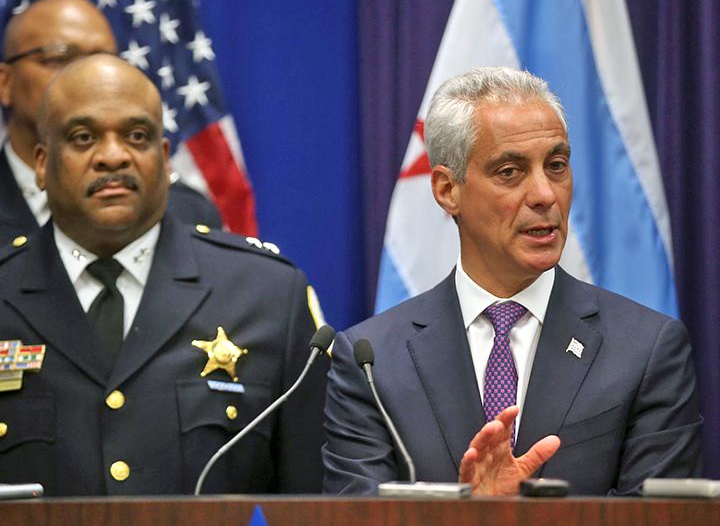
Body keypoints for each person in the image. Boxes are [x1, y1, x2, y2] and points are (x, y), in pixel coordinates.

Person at [323, 66, 702, 496]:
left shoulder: (647, 349)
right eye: (510, 172)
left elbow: (662, 519)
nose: (545, 194)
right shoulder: (372, 363)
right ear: (448, 190)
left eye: (556, 166)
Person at [0, 54, 327, 496]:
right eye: (83, 137)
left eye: (137, 136)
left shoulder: (267, 296)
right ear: (41, 163)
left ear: (165, 157)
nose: (113, 156)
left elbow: (315, 499)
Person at [0, 0, 221, 246]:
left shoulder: (186, 210)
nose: (88, 75)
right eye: (59, 58)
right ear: (5, 83)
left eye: (101, 59)